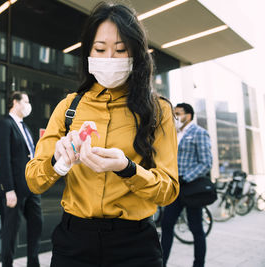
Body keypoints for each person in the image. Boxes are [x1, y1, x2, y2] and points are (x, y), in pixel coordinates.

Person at [25, 3, 179, 267]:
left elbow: (169, 191)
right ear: (88, 52)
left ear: (135, 53)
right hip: (75, 241)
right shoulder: (68, 107)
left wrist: (128, 169)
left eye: (120, 50)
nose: (109, 58)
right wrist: (58, 163)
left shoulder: (158, 110)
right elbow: (34, 180)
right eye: (100, 49)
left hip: (134, 244)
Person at [0, 91, 42, 267]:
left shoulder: (25, 126)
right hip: (14, 189)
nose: (29, 105)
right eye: (26, 101)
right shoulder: (5, 125)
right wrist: (9, 190)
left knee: (37, 224)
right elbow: (3, 159)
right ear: (15, 102)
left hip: (30, 187)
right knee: (11, 232)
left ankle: (33, 263)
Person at [161, 103, 212, 267]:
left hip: (191, 190)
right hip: (175, 189)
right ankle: (161, 263)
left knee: (196, 229)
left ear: (188, 115)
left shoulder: (199, 133)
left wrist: (185, 177)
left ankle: (199, 264)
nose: (175, 117)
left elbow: (206, 162)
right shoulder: (175, 134)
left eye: (178, 113)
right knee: (166, 225)